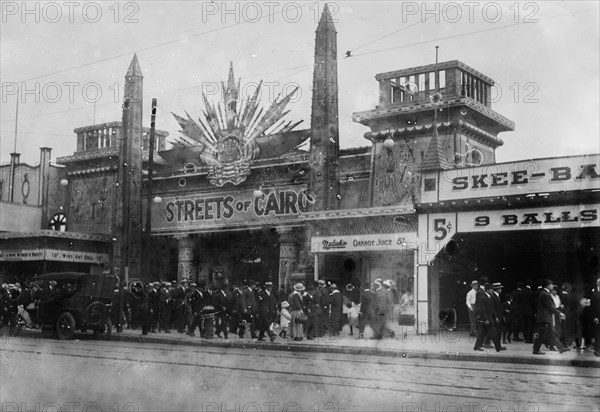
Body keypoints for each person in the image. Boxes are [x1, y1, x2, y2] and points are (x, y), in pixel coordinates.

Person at [532, 279, 569, 355]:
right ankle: (536, 349)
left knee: (552, 333)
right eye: (551, 284)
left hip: (545, 318)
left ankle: (560, 348)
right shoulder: (545, 294)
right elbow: (550, 306)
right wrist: (559, 313)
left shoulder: (545, 293)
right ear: (548, 285)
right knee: (542, 334)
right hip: (544, 318)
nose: (552, 286)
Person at [473, 283, 506, 352]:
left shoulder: (489, 297)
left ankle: (477, 346)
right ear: (487, 290)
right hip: (487, 319)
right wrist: (486, 319)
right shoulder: (483, 298)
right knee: (494, 333)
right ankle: (498, 347)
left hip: (490, 318)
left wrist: (495, 316)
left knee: (482, 334)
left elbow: (493, 308)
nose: (492, 291)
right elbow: (483, 310)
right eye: (491, 289)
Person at [590, 276, 600, 357]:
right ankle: (597, 350)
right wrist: (595, 317)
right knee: (597, 334)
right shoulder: (594, 294)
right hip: (598, 317)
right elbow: (592, 307)